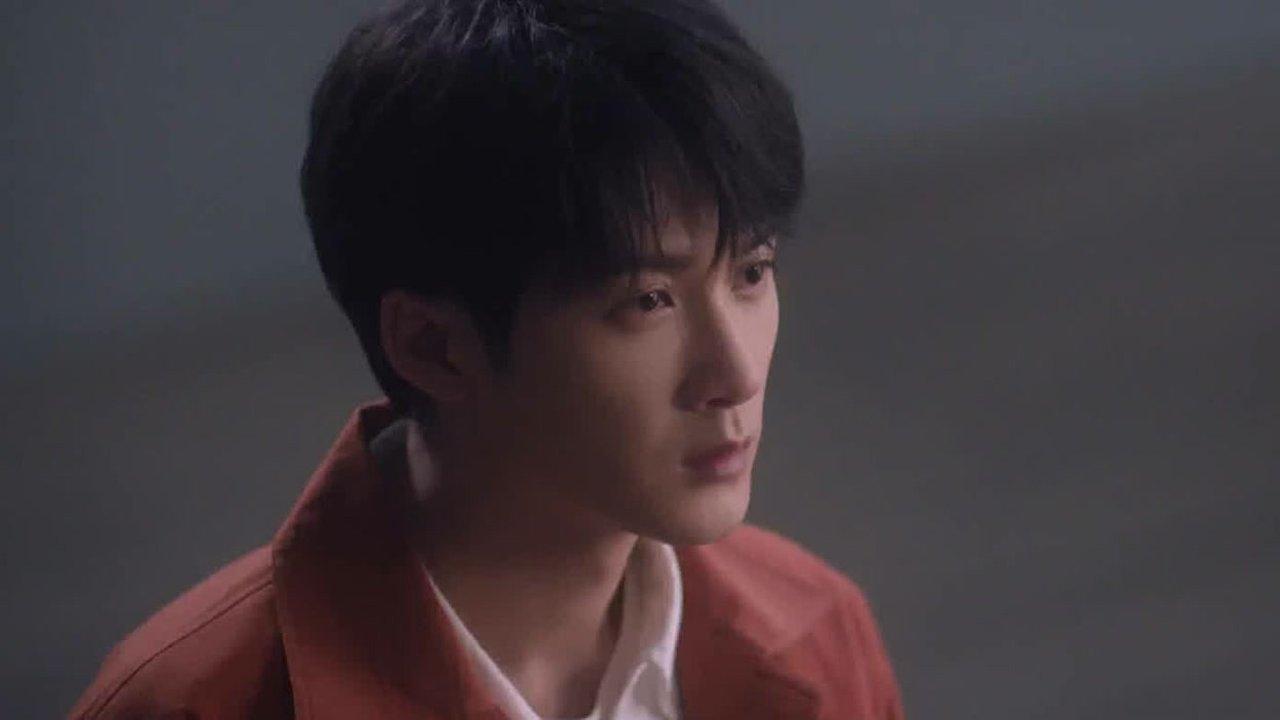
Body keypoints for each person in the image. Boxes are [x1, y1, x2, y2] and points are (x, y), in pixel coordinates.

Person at [69, 0, 904, 717]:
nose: (738, 375)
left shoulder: (816, 638)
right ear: (433, 346)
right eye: (649, 301)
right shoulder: (191, 702)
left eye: (751, 272)